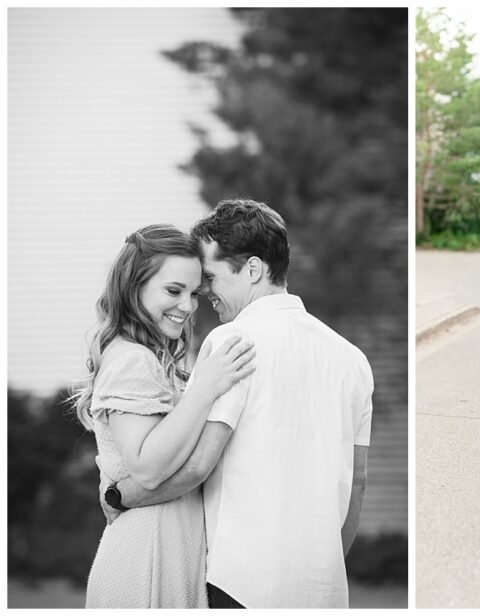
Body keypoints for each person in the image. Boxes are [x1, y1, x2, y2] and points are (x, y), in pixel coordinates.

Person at [103, 199, 374, 608]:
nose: (204, 293)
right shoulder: (353, 359)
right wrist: (326, 565)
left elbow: (197, 465)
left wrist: (120, 496)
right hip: (324, 588)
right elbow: (358, 482)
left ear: (252, 269)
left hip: (241, 584)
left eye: (209, 277)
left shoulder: (233, 341)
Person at [76, 224, 256, 608]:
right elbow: (147, 467)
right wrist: (206, 387)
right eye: (174, 291)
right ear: (133, 287)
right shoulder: (132, 360)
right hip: (146, 556)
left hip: (170, 547)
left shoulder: (149, 358)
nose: (189, 306)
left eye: (194, 293)